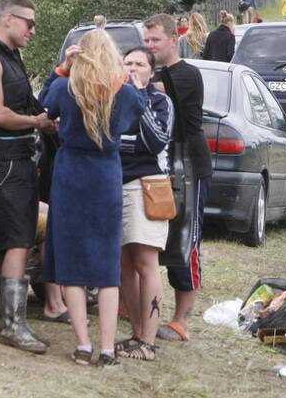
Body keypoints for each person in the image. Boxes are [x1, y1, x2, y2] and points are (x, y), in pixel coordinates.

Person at [40, 29, 148, 367]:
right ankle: (105, 347)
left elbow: (44, 102)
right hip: (105, 175)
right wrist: (130, 80)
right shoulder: (123, 93)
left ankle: (83, 344)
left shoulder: (65, 87)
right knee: (106, 263)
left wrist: (62, 67)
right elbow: (138, 113)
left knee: (70, 261)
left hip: (70, 172)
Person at [0, 0, 57, 354]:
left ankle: (14, 322)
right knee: (17, 240)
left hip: (20, 156)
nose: (33, 30)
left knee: (21, 237)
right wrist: (36, 122)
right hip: (2, 159)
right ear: (8, 20)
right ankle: (12, 326)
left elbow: (21, 104)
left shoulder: (10, 56)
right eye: (29, 23)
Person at [144, 15, 211, 344]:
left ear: (174, 39)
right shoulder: (149, 72)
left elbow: (153, 90)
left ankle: (182, 319)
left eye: (155, 40)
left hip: (190, 165)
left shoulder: (187, 74)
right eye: (147, 41)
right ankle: (142, 308)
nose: (150, 46)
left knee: (186, 241)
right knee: (151, 238)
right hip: (158, 164)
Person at [116, 47, 174, 363]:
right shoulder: (113, 97)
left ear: (151, 71)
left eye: (140, 63)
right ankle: (137, 334)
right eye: (128, 63)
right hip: (114, 185)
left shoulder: (158, 101)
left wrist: (139, 98)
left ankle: (149, 343)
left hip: (145, 186)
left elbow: (156, 142)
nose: (133, 68)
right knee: (124, 264)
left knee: (145, 262)